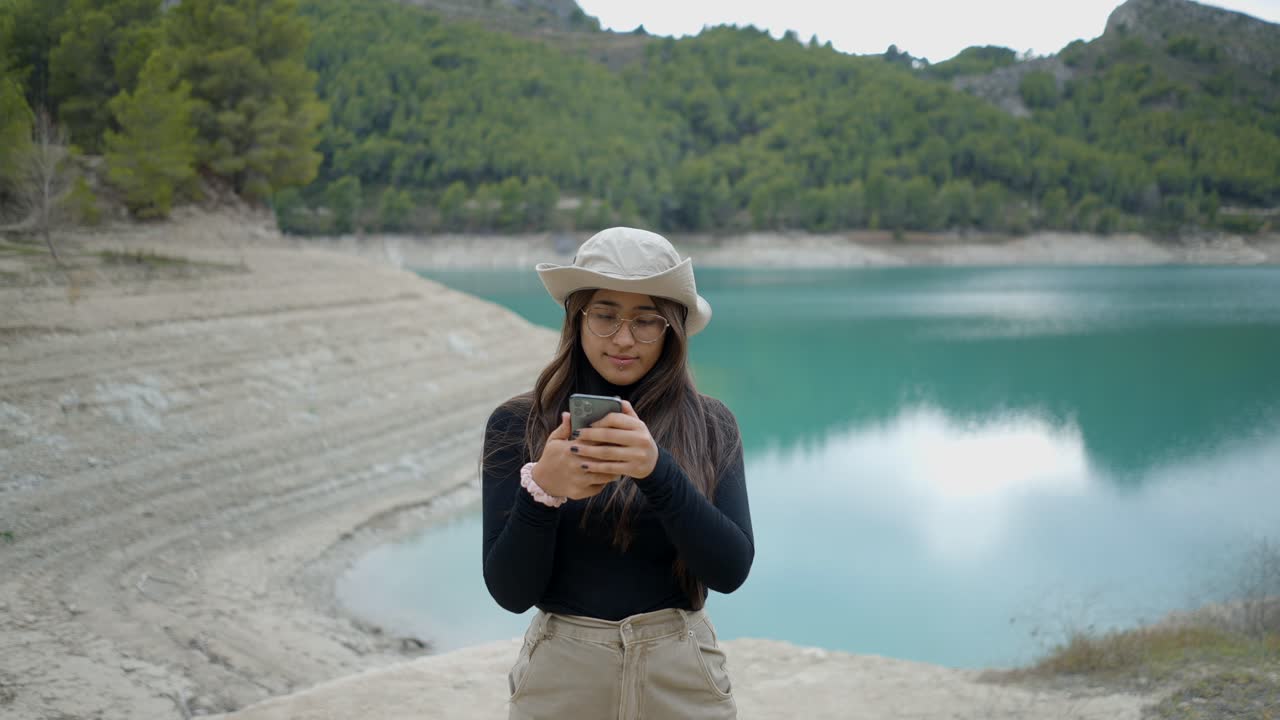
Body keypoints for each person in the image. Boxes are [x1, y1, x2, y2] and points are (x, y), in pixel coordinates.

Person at [480, 226, 754, 719]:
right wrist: (541, 491)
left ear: (671, 327)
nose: (624, 339)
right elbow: (510, 593)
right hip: (560, 676)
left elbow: (730, 571)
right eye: (605, 316)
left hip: (682, 674)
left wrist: (657, 471)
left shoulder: (711, 424)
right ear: (576, 318)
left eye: (646, 320)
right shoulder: (517, 424)